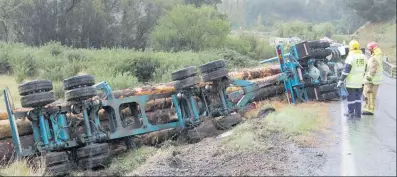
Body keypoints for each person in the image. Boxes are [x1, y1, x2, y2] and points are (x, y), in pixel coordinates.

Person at [337, 40, 367, 118]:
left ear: (350, 48)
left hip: (351, 83)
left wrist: (340, 80)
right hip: (360, 82)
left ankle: (350, 112)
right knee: (358, 98)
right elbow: (366, 69)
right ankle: (358, 113)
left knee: (351, 99)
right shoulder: (364, 56)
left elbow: (346, 71)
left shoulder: (350, 57)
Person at [362, 41, 383, 115]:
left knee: (367, 94)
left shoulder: (374, 58)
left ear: (372, 50)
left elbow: (372, 70)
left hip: (372, 81)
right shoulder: (379, 56)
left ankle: (368, 110)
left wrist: (367, 79)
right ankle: (369, 109)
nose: (369, 51)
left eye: (369, 50)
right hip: (376, 81)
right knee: (372, 95)